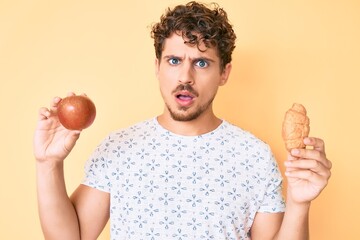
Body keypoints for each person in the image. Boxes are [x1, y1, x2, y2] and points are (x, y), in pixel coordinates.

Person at [33, 1, 332, 239]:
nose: (185, 77)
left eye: (201, 63)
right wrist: (48, 164)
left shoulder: (254, 156)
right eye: (174, 61)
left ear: (224, 73)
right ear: (158, 67)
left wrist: (299, 203)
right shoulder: (118, 147)